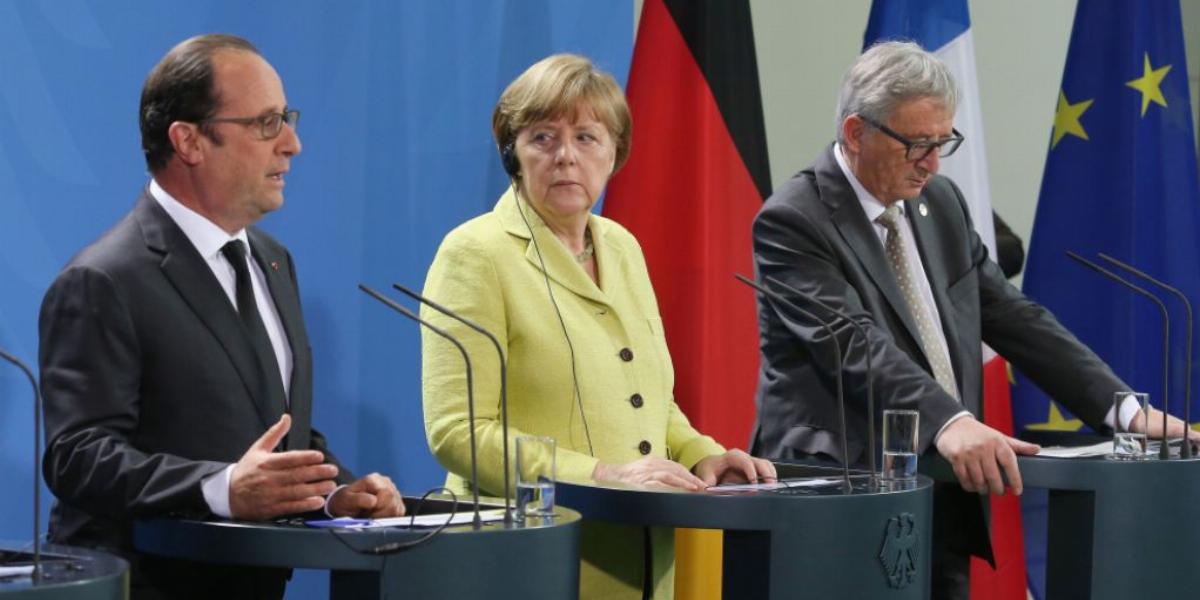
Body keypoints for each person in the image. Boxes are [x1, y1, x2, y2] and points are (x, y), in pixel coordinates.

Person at [748, 41, 1193, 599]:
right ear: (857, 132)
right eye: (917, 145)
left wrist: (1122, 408)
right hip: (839, 500)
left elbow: (1010, 315)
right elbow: (852, 345)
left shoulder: (942, 204)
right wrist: (952, 422)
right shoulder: (793, 221)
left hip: (942, 496)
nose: (933, 164)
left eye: (943, 143)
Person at [39, 34, 403, 600]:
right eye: (266, 123)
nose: (292, 144)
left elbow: (272, 425)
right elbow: (79, 457)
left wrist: (336, 495)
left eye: (287, 118)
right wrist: (220, 489)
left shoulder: (273, 262)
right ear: (189, 141)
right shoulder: (104, 280)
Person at [421, 53, 775, 599]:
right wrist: (601, 474)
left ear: (615, 153)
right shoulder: (475, 253)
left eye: (587, 137)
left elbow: (649, 400)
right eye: (543, 137)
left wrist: (701, 454)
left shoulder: (623, 248)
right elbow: (458, 432)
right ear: (512, 152)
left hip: (641, 560)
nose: (566, 156)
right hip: (526, 563)